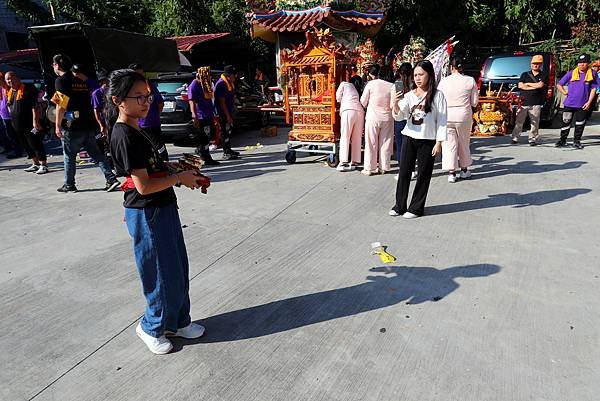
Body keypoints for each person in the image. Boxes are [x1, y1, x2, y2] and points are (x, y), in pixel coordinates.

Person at [107, 69, 208, 354]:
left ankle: (177, 321)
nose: (145, 102)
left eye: (148, 96)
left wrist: (180, 170)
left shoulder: (139, 129)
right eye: (138, 97)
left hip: (164, 206)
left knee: (177, 266)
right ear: (118, 100)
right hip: (147, 212)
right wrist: (178, 179)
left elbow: (153, 170)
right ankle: (151, 326)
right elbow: (143, 187)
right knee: (159, 272)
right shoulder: (124, 135)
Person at [51, 53, 120, 192]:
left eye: (53, 64)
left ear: (57, 65)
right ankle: (111, 178)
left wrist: (57, 125)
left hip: (71, 124)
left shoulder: (61, 81)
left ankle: (69, 185)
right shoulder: (80, 79)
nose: (53, 67)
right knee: (96, 154)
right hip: (87, 122)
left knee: (69, 156)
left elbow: (61, 105)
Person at [390, 60, 447, 219]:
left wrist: (439, 142)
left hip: (428, 140)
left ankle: (416, 208)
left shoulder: (438, 95)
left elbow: (442, 120)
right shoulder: (408, 95)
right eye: (415, 75)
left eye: (421, 74)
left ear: (429, 75)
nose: (418, 78)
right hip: (409, 136)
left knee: (423, 174)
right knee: (404, 172)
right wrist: (395, 103)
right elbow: (401, 115)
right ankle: (399, 205)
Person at [437, 55, 478, 182]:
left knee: (449, 145)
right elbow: (474, 102)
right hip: (463, 115)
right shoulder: (470, 80)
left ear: (450, 67)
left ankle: (451, 173)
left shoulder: (443, 82)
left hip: (447, 116)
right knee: (464, 143)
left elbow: (438, 100)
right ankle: (464, 169)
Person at [5, 71, 48, 174]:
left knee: (35, 143)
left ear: (17, 77)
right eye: (7, 79)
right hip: (17, 124)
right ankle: (35, 163)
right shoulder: (11, 92)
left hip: (29, 123)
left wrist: (35, 121)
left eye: (11, 78)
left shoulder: (28, 89)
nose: (10, 81)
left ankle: (44, 165)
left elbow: (35, 106)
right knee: (26, 145)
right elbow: (9, 105)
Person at [555, 54, 600, 149]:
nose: (581, 65)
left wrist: (589, 102)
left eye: (584, 63)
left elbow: (594, 89)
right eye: (579, 63)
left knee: (580, 124)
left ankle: (577, 141)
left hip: (583, 104)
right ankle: (562, 140)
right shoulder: (571, 73)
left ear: (588, 63)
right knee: (565, 122)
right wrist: (565, 92)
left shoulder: (593, 73)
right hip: (569, 103)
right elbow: (559, 84)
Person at [360, 64, 394, 175]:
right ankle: (384, 167)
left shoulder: (371, 84)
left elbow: (363, 102)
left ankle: (369, 168)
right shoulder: (392, 86)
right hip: (388, 118)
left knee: (371, 143)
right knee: (386, 143)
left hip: (373, 117)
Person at [129, 63, 168, 160]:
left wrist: (155, 115)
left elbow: (160, 104)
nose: (140, 77)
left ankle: (165, 163)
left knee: (158, 145)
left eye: (141, 75)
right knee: (148, 147)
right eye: (137, 75)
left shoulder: (149, 86)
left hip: (149, 122)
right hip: (139, 123)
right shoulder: (130, 88)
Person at [510, 54, 547, 146]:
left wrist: (528, 84)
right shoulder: (524, 74)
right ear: (531, 64)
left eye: (538, 64)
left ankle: (532, 139)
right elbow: (520, 86)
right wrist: (533, 86)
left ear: (541, 65)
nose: (536, 65)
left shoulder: (543, 74)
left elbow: (540, 85)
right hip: (523, 102)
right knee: (519, 121)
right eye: (534, 63)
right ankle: (515, 137)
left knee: (535, 123)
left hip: (536, 103)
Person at [188, 66, 219, 166]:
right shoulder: (194, 86)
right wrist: (194, 116)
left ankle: (201, 151)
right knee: (205, 137)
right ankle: (206, 157)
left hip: (208, 114)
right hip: (201, 116)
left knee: (209, 136)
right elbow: (191, 102)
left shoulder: (205, 85)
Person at [335, 71, 365, 171]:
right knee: (357, 138)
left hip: (348, 111)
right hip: (360, 112)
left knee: (345, 136)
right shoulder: (357, 91)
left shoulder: (344, 84)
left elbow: (338, 97)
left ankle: (343, 162)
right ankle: (354, 162)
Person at [390, 63, 413, 173]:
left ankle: (402, 169)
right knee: (412, 146)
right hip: (412, 118)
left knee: (400, 145)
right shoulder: (414, 85)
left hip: (400, 118)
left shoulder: (398, 85)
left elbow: (395, 104)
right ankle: (412, 169)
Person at [215, 65, 240, 160]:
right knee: (224, 131)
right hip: (222, 113)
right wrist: (228, 116)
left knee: (228, 131)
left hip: (229, 111)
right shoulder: (221, 84)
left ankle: (229, 149)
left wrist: (234, 107)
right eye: (234, 75)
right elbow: (222, 103)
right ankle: (226, 152)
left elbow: (230, 98)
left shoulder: (229, 83)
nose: (236, 77)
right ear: (229, 75)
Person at [0, 73, 23, 158]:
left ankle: (18, 151)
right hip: (3, 116)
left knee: (14, 135)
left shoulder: (9, 88)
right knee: (8, 134)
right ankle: (12, 149)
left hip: (11, 116)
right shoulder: (1, 89)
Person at [91, 71, 111, 163]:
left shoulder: (112, 91)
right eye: (107, 80)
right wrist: (101, 125)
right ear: (103, 81)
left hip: (113, 119)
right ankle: (109, 163)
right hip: (104, 121)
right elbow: (96, 110)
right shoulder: (96, 93)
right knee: (105, 143)